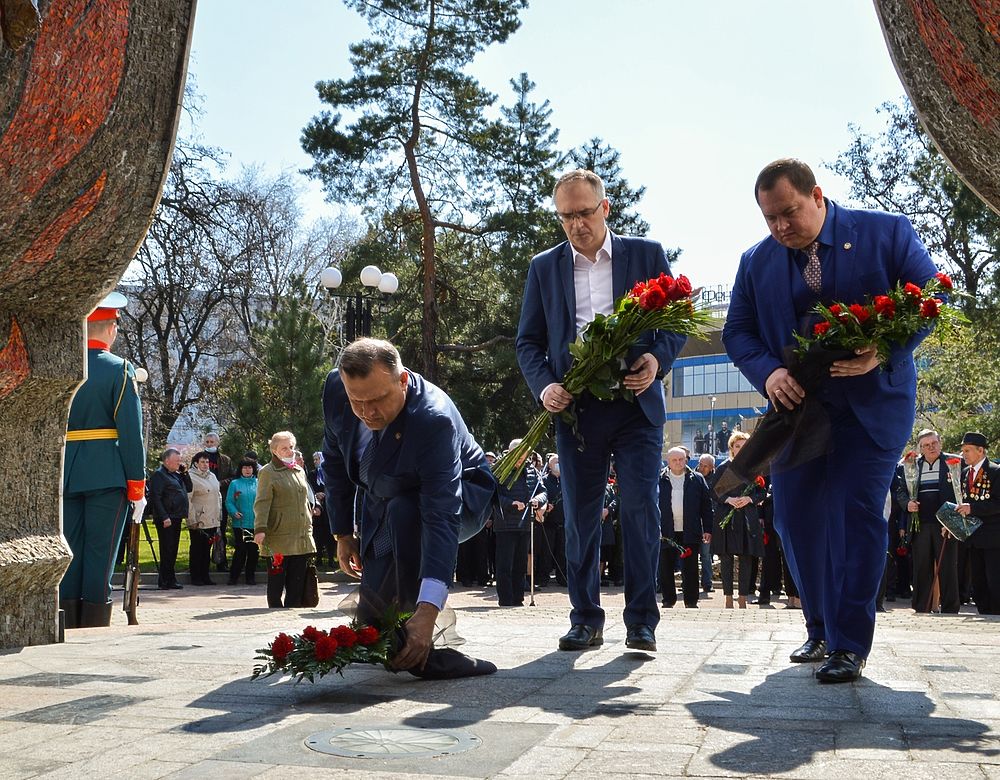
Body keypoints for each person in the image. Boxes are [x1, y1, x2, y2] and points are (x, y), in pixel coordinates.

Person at [723, 158, 939, 682]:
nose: (781, 227)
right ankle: (819, 627)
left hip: (871, 408)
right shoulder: (755, 262)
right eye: (770, 218)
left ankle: (849, 644)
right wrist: (769, 373)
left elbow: (932, 293)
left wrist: (883, 347)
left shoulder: (886, 232)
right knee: (794, 520)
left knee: (853, 516)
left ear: (817, 196)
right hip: (798, 412)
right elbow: (738, 331)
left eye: (789, 212)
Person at [515, 169, 686, 653]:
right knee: (581, 518)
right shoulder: (544, 268)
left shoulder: (646, 255)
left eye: (584, 213)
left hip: (636, 407)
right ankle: (585, 619)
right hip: (577, 413)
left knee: (639, 511)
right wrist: (546, 386)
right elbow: (528, 343)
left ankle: (641, 622)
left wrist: (657, 360)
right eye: (566, 216)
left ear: (605, 208)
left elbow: (676, 322)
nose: (576, 224)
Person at [322, 338, 497, 679]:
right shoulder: (335, 389)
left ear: (402, 381)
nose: (367, 413)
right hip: (386, 488)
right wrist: (342, 533)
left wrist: (428, 610)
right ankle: (395, 636)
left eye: (377, 400)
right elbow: (334, 459)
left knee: (406, 512)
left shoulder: (433, 419)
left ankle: (430, 649)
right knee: (374, 623)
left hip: (460, 496)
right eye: (357, 402)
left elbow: (441, 514)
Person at [60, 292, 146, 628]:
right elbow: (131, 433)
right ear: (111, 329)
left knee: (69, 552)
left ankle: (66, 620)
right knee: (100, 553)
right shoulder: (119, 370)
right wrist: (137, 486)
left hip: (65, 473)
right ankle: (94, 626)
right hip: (107, 474)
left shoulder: (64, 368)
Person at [893, 430, 960, 613]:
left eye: (934, 443)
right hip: (920, 524)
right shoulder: (912, 465)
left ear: (940, 443)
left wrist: (953, 521)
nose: (931, 447)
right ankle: (922, 607)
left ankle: (950, 608)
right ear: (920, 448)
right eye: (926, 445)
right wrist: (907, 504)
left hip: (945, 524)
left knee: (947, 567)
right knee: (921, 566)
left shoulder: (953, 462)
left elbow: (960, 493)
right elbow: (901, 491)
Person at [253, 431, 317, 608]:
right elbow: (262, 502)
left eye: (291, 447)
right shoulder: (267, 472)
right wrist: (260, 529)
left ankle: (291, 614)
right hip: (278, 537)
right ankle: (274, 613)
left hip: (300, 535)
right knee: (276, 582)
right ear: (274, 451)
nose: (290, 451)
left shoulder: (299, 470)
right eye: (284, 448)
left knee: (297, 583)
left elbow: (305, 499)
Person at [712, 433, 766, 609]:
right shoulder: (723, 467)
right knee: (726, 558)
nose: (741, 449)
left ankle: (743, 598)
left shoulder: (754, 467)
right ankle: (728, 598)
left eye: (744, 446)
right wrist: (729, 500)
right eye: (737, 446)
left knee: (746, 558)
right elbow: (713, 491)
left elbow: (762, 492)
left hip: (747, 517)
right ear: (731, 449)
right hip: (726, 517)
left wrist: (749, 499)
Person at [658, 447, 713, 609]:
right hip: (666, 531)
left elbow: (706, 506)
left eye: (681, 459)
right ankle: (668, 600)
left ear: (686, 460)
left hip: (690, 530)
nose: (678, 463)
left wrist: (708, 529)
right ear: (668, 461)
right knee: (665, 567)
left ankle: (691, 601)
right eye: (674, 460)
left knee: (690, 568)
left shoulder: (697, 479)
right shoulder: (659, 479)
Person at [494, 440, 545, 606]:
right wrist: (511, 503)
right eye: (520, 456)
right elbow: (493, 495)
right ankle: (505, 599)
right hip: (506, 524)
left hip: (525, 524)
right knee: (505, 565)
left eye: (525, 456)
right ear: (512, 453)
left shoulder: (531, 469)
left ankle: (518, 599)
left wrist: (538, 500)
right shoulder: (500, 469)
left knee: (520, 564)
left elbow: (543, 491)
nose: (523, 460)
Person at [956, 432, 1000, 615]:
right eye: (963, 450)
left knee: (994, 579)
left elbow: (997, 503)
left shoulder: (995, 472)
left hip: (992, 537)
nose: (963, 454)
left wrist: (972, 508)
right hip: (972, 536)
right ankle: (984, 612)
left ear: (980, 450)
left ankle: (996, 614)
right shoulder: (965, 473)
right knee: (978, 580)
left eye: (967, 450)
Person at [148, 448, 192, 590]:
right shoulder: (159, 475)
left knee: (173, 550)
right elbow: (156, 497)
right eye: (176, 461)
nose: (179, 463)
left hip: (176, 516)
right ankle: (165, 580)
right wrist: (164, 516)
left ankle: (170, 578)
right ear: (167, 461)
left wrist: (185, 473)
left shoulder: (177, 475)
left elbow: (189, 488)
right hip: (167, 517)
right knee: (167, 549)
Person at [186, 451, 222, 586]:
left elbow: (217, 496)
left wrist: (219, 516)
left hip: (212, 519)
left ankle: (205, 576)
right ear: (196, 463)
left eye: (207, 462)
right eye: (202, 462)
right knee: (197, 549)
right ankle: (195, 577)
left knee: (207, 550)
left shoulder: (212, 476)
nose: (205, 464)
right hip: (198, 520)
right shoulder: (191, 477)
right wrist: (192, 520)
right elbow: (188, 500)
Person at [225, 458, 260, 585]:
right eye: (244, 467)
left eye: (250, 467)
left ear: (253, 469)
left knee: (253, 551)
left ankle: (250, 577)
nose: (247, 470)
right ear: (240, 469)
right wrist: (234, 512)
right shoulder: (235, 484)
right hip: (240, 523)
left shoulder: (259, 483)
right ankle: (233, 577)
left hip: (255, 523)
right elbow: (229, 501)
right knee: (240, 550)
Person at [202, 431, 232, 573]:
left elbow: (232, 477)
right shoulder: (200, 458)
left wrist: (219, 484)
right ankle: (203, 564)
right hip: (204, 500)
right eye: (207, 442)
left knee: (221, 533)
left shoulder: (225, 460)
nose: (209, 444)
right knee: (205, 533)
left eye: (212, 442)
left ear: (217, 443)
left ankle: (221, 561)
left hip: (221, 499)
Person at [308, 451, 336, 569]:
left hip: (329, 508)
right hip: (318, 509)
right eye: (314, 460)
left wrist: (325, 494)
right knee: (318, 535)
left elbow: (334, 487)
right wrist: (316, 494)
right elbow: (309, 488)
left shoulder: (330, 473)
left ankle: (331, 559)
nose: (315, 462)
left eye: (317, 459)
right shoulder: (312, 474)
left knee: (330, 535)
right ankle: (318, 558)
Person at [695, 453, 717, 594]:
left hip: (707, 522)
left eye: (705, 466)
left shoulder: (716, 480)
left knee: (706, 554)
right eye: (700, 464)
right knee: (689, 553)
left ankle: (707, 583)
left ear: (712, 467)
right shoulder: (692, 477)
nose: (701, 468)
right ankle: (688, 582)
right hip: (692, 521)